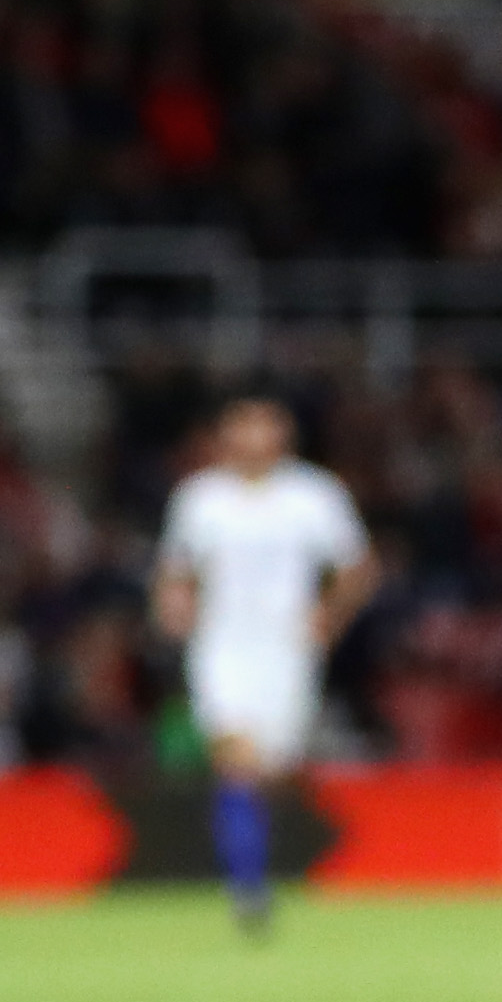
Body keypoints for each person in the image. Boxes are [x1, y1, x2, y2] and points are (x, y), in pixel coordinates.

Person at [151, 392, 378, 934]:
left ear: (283, 438)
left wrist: (328, 617)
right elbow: (174, 569)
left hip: (286, 651)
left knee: (269, 772)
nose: (254, 442)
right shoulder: (200, 498)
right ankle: (248, 892)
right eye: (243, 430)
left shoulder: (313, 496)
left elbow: (357, 567)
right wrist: (173, 605)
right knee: (236, 759)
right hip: (223, 647)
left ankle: (256, 867)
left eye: (265, 430)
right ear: (227, 438)